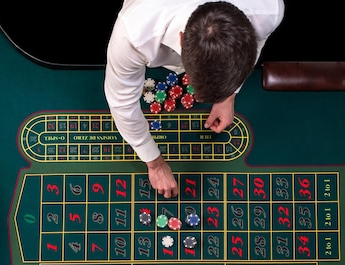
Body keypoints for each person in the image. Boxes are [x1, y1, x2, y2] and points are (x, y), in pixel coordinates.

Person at [104, 0, 285, 199]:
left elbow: (256, 44)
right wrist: (154, 163)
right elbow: (123, 105)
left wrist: (228, 95)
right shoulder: (133, 32)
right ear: (182, 40)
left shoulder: (268, 9)